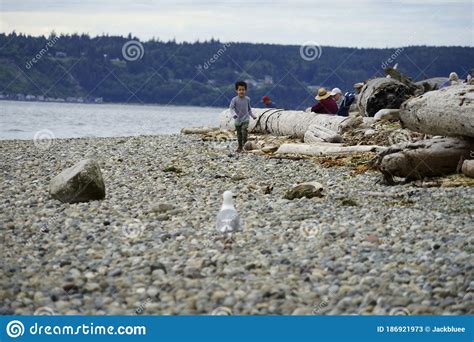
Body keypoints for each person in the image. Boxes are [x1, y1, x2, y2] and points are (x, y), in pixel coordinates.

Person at [229, 81, 257, 153]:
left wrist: (253, 116)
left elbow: (249, 109)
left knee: (244, 131)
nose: (241, 91)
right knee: (239, 134)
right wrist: (234, 115)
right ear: (236, 90)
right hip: (237, 120)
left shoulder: (247, 99)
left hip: (246, 119)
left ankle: (245, 146)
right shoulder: (234, 99)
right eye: (240, 90)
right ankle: (240, 147)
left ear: (245, 90)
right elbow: (231, 108)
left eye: (243, 90)